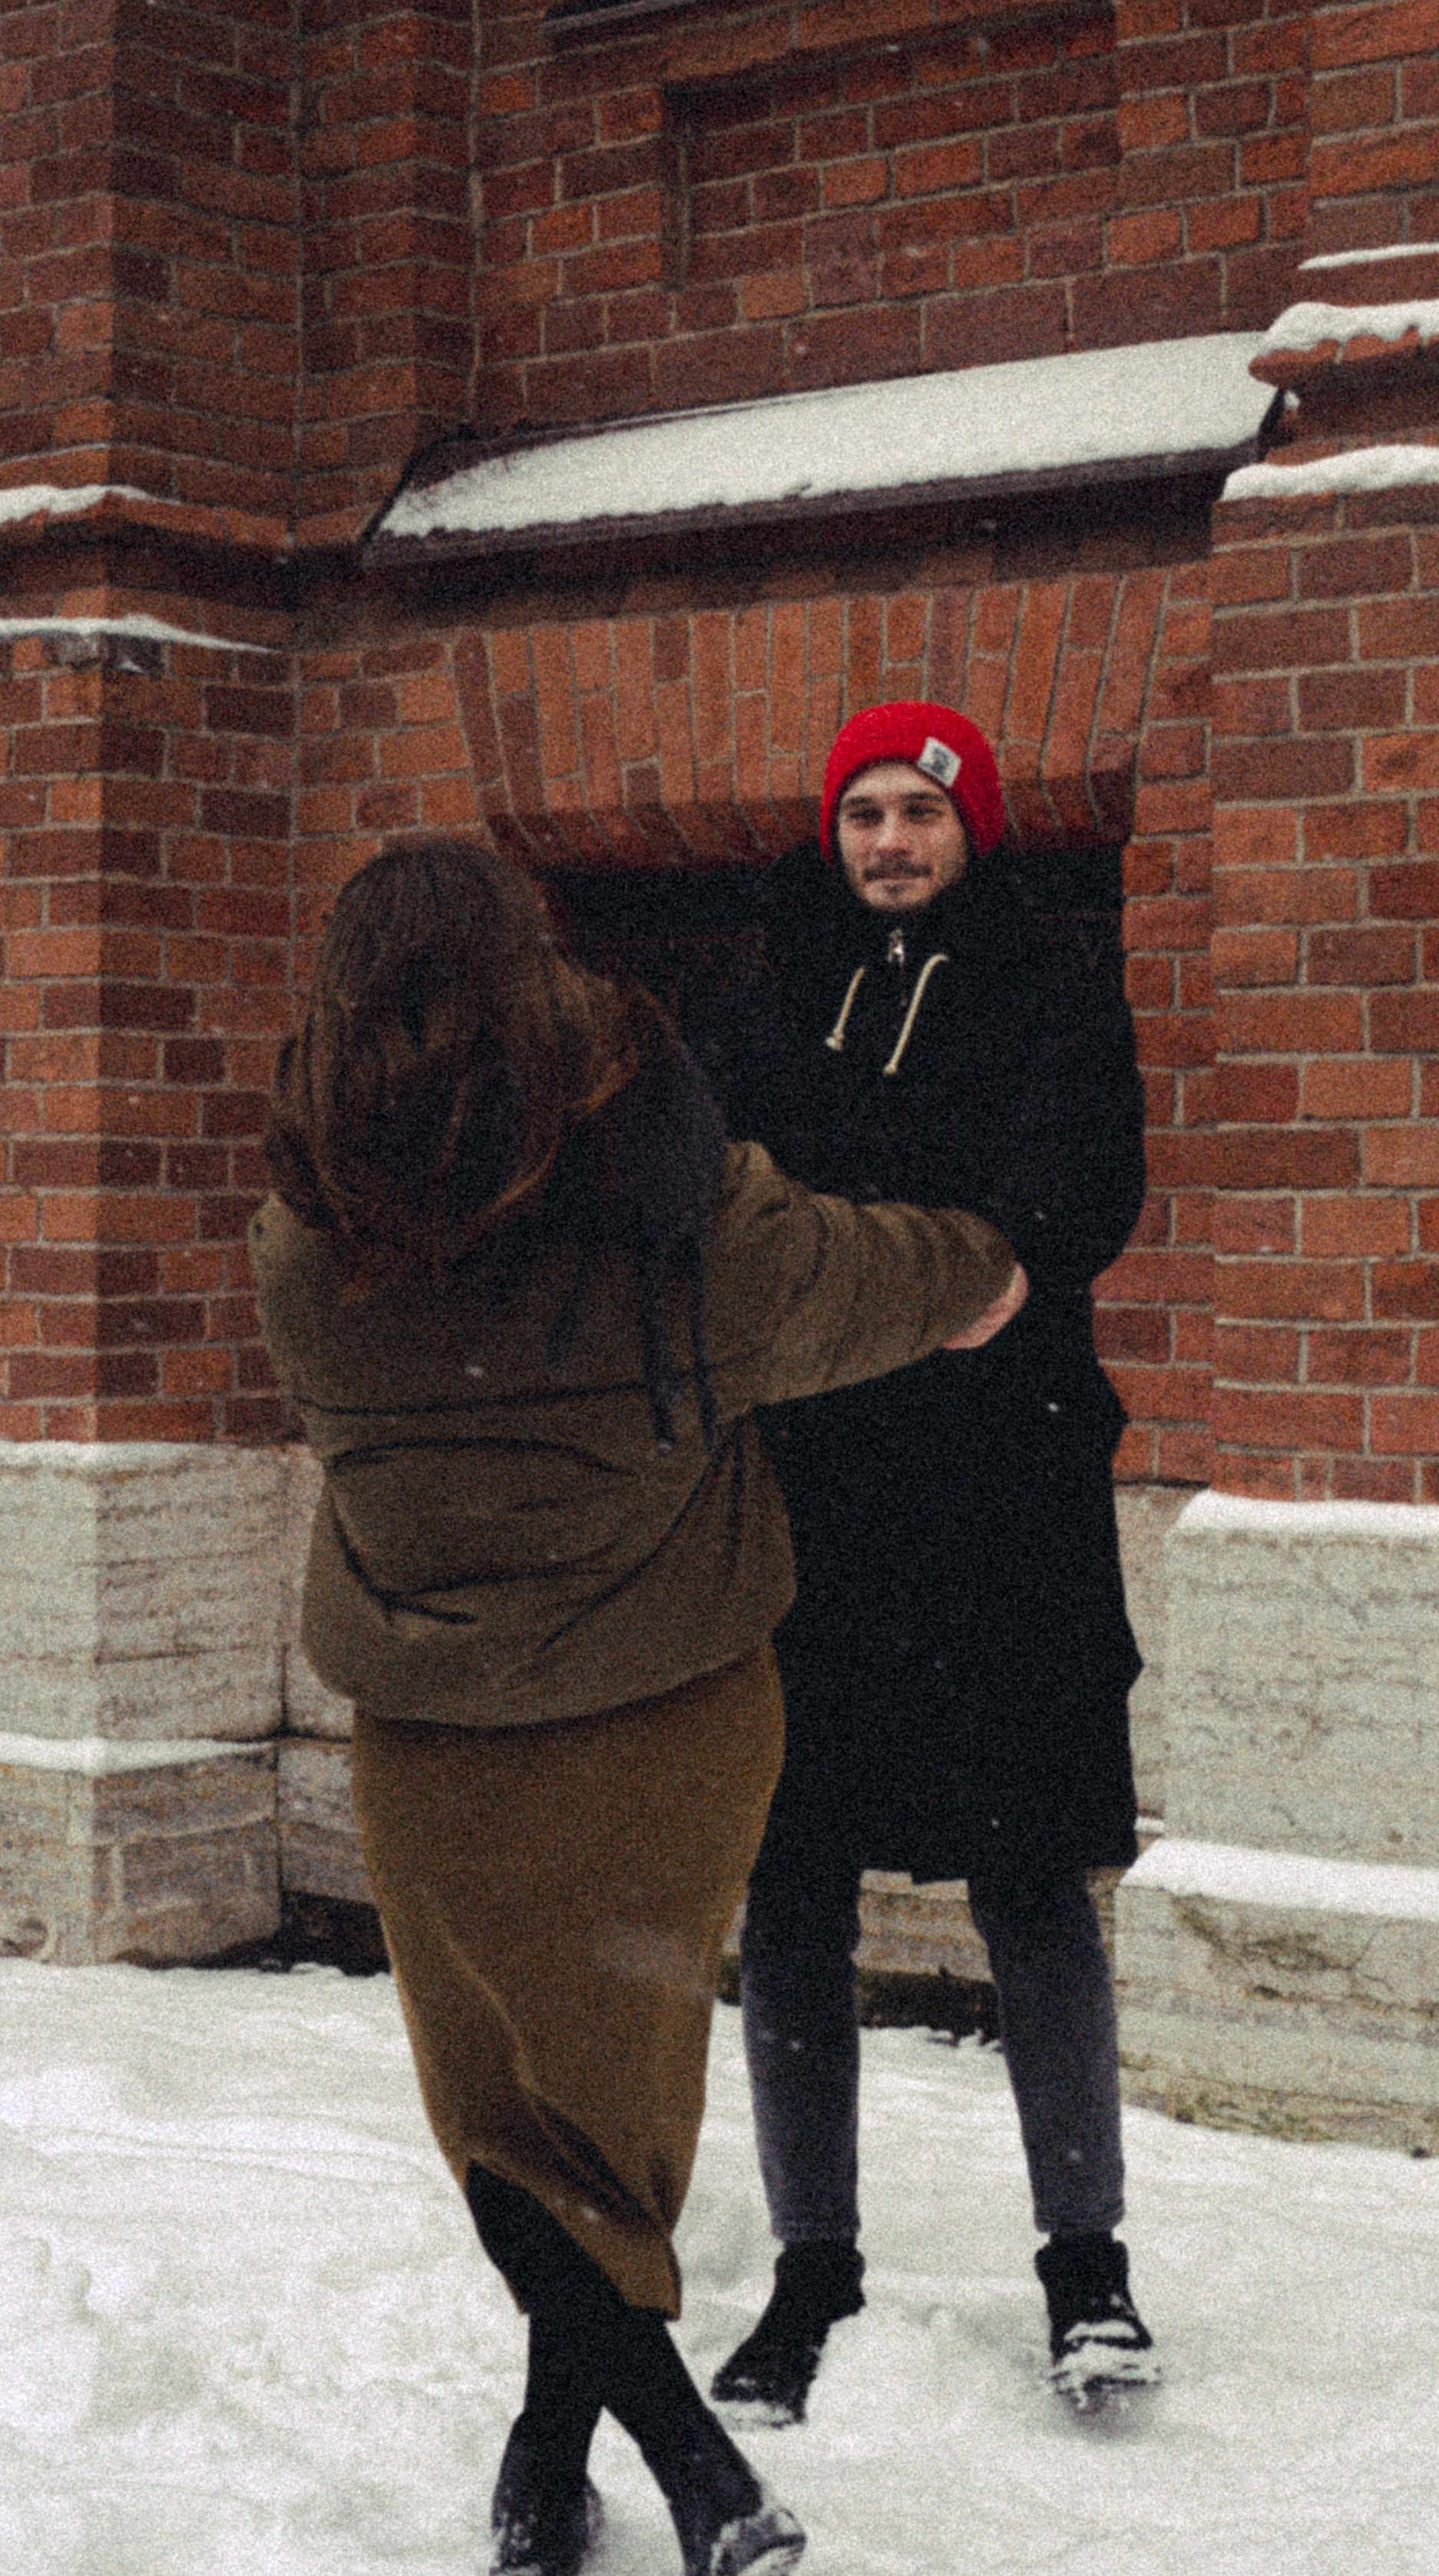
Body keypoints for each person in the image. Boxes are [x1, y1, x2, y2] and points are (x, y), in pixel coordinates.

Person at [249, 837, 1025, 2576]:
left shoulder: (303, 1249)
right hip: (665, 1726)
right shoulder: (682, 1228)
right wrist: (985, 1265)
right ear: (531, 974)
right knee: (609, 2125)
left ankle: (587, 2463)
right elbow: (864, 1276)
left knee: (511, 2128)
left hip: (431, 1739)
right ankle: (668, 2462)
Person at [697, 701, 1155, 2422]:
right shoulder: (756, 1006)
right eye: (863, 814)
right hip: (810, 1504)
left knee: (1030, 1877)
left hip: (1004, 1503)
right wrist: (917, 1255)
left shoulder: (1047, 991)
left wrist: (859, 1254)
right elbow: (730, 1213)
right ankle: (812, 2269)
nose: (888, 841)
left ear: (972, 829)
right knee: (791, 1884)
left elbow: (1061, 1205)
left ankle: (1085, 2266)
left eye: (919, 812)